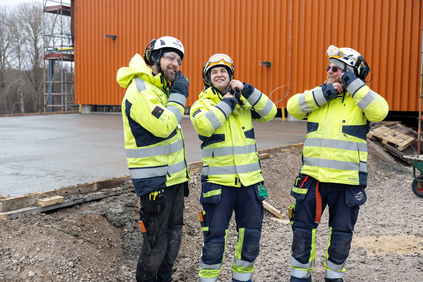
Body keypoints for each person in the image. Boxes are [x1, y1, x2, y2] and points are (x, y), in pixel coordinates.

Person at [286, 45, 389, 282]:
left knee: (342, 235)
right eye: (328, 67)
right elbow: (293, 107)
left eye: (336, 68)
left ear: (350, 72)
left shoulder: (362, 99)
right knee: (302, 232)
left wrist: (352, 84)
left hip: (348, 181)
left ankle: (334, 277)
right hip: (313, 178)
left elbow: (380, 111)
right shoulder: (319, 95)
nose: (329, 71)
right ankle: (299, 277)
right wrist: (327, 92)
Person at [190, 53, 277, 282]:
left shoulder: (246, 101)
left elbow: (270, 112)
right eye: (214, 72)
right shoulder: (202, 104)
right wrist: (229, 99)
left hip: (249, 183)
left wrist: (247, 90)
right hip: (218, 185)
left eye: (224, 71)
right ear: (207, 78)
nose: (219, 74)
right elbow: (205, 125)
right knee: (215, 238)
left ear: (231, 76)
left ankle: (242, 279)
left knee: (250, 238)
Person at [116, 36, 191, 282]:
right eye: (170, 57)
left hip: (174, 180)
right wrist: (180, 94)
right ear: (155, 59)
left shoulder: (160, 90)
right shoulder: (140, 90)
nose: (176, 64)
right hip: (154, 183)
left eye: (179, 60)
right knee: (156, 243)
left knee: (174, 238)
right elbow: (165, 125)